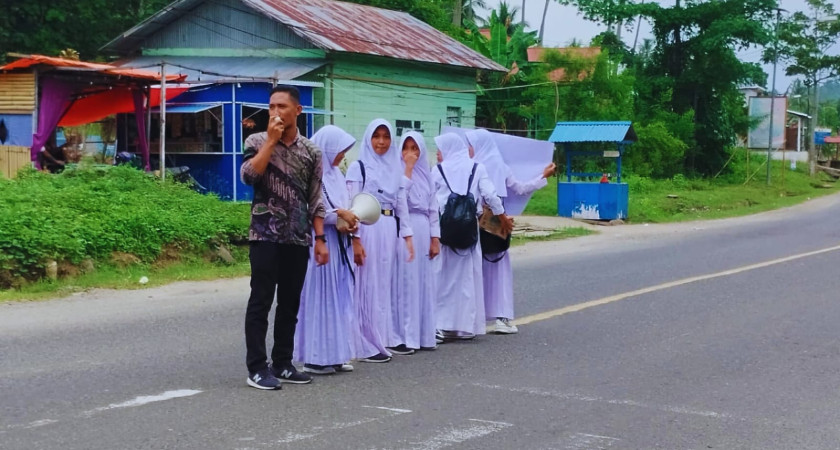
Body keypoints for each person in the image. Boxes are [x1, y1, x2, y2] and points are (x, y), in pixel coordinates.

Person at [240, 85, 329, 390]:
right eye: (271, 107)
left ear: (297, 111)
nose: (275, 112)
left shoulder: (312, 152)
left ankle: (283, 363)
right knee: (261, 301)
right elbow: (249, 176)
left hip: (297, 237)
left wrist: (320, 238)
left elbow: (315, 198)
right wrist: (271, 141)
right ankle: (256, 367)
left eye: (282, 107)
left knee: (290, 303)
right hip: (264, 234)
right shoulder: (256, 141)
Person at [465, 129, 555, 335]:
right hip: (497, 223)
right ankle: (501, 318)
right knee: (498, 270)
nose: (468, 149)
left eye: (470, 145)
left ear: (479, 146)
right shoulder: (499, 166)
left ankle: (474, 320)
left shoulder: (473, 167)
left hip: (477, 223)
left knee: (475, 270)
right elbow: (520, 188)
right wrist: (543, 176)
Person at [346, 119, 415, 363]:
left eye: (386, 137)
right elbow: (352, 204)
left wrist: (407, 235)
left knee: (385, 284)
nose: (382, 142)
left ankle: (385, 336)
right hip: (367, 228)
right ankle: (364, 342)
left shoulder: (395, 168)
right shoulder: (358, 167)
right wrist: (355, 238)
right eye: (377, 136)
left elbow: (400, 203)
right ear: (368, 138)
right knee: (367, 284)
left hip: (389, 227)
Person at [294, 125, 360, 375]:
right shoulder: (310, 172)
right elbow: (311, 208)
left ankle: (336, 354)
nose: (342, 155)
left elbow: (344, 205)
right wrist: (338, 215)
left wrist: (351, 219)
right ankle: (316, 357)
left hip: (339, 241)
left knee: (338, 298)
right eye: (340, 150)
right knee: (321, 297)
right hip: (320, 240)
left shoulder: (336, 175)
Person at [432, 133, 511, 341]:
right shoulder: (477, 168)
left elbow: (430, 199)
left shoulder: (438, 170)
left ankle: (441, 325)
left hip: (445, 229)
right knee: (467, 279)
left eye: (440, 149)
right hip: (469, 229)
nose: (438, 153)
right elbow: (490, 195)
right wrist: (502, 217)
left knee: (443, 277)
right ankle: (465, 326)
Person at [393, 131, 441, 353]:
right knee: (407, 281)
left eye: (415, 149)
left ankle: (423, 335)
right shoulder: (397, 173)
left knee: (423, 282)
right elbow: (399, 199)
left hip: (423, 228)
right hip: (406, 228)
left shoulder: (428, 176)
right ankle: (405, 335)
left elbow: (433, 209)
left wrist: (435, 238)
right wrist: (408, 170)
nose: (410, 153)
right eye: (406, 148)